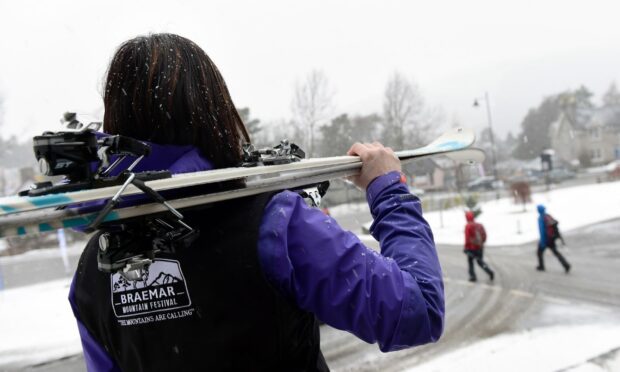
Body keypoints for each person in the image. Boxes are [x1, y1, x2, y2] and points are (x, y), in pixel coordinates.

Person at [68, 33, 444, 371]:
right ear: (213, 111)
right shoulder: (275, 225)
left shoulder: (92, 270)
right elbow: (417, 312)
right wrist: (389, 192)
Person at [536, 204, 570, 273]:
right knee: (556, 253)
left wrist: (543, 242)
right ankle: (566, 265)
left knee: (539, 253)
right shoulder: (548, 216)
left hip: (546, 240)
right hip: (551, 238)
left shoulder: (541, 218)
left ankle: (541, 266)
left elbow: (542, 231)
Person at [463, 211, 494, 282]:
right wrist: (481, 244)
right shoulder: (479, 225)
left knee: (470, 262)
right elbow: (484, 235)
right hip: (480, 248)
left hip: (471, 248)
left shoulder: (468, 226)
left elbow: (467, 238)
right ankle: (489, 271)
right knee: (480, 262)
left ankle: (472, 276)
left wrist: (466, 247)